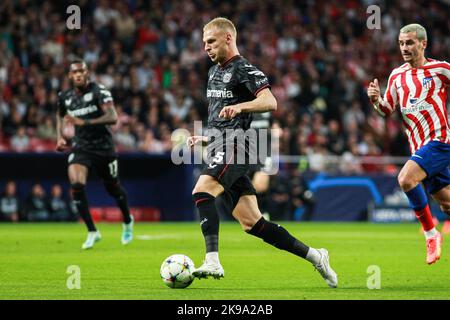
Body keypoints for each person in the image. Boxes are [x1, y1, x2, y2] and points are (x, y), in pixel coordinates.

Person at [187, 17, 337, 288]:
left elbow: (270, 101)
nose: (206, 48)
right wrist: (206, 137)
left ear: (228, 39)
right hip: (221, 145)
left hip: (239, 146)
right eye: (204, 43)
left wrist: (242, 107)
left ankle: (212, 260)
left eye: (211, 41)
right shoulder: (213, 73)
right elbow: (220, 118)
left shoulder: (244, 69)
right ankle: (316, 256)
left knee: (202, 191)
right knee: (252, 223)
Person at [367, 24, 450, 264]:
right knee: (446, 205)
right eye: (402, 43)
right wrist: (376, 100)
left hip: (439, 141)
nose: (405, 48)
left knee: (405, 179)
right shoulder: (397, 75)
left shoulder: (440, 69)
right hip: (419, 148)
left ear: (423, 44)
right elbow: (386, 110)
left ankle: (430, 233)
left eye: (410, 43)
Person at [56, 59, 134, 249]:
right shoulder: (64, 96)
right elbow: (60, 115)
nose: (79, 75)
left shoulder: (100, 91)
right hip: (81, 146)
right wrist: (59, 137)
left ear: (87, 73)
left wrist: (85, 123)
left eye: (82, 71)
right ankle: (92, 231)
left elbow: (113, 117)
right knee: (76, 183)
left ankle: (127, 219)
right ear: (70, 76)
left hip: (104, 148)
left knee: (113, 188)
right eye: (75, 72)